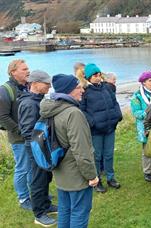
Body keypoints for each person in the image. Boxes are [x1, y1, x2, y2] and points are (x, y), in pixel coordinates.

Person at [40, 74, 99, 228]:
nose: (82, 91)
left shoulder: (51, 110)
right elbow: (82, 151)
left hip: (60, 169)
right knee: (80, 211)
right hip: (76, 172)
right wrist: (91, 175)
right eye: (78, 87)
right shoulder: (73, 113)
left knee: (65, 209)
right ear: (69, 91)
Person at [18, 70, 57, 226]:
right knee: (37, 179)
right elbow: (28, 132)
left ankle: (46, 205)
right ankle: (39, 213)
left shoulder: (39, 99)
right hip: (36, 145)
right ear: (34, 84)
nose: (49, 85)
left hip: (42, 144)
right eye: (46, 83)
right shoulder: (29, 103)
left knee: (46, 176)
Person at [80, 64, 122, 193]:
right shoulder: (85, 91)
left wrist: (117, 116)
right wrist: (93, 122)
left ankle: (111, 178)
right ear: (88, 77)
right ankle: (97, 180)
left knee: (109, 154)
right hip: (96, 130)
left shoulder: (107, 88)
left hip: (110, 127)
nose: (98, 78)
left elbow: (114, 102)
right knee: (97, 156)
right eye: (95, 75)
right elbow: (82, 110)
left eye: (99, 75)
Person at [0, 59, 32, 210]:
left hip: (32, 135)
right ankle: (23, 198)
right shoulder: (5, 90)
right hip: (19, 138)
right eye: (24, 69)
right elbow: (3, 117)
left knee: (33, 166)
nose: (28, 71)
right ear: (13, 72)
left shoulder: (27, 86)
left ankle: (34, 193)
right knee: (22, 168)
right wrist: (21, 130)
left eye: (28, 68)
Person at [130, 71, 151, 182]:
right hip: (144, 127)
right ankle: (147, 171)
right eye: (150, 80)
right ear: (143, 82)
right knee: (147, 150)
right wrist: (149, 113)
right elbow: (136, 113)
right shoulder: (136, 96)